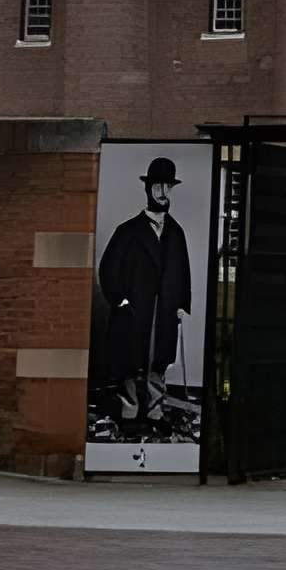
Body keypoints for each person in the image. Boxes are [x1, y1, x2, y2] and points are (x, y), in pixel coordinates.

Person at [89, 155, 194, 441]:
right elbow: (108, 269)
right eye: (158, 186)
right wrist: (120, 300)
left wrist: (182, 304)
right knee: (129, 364)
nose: (163, 192)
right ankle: (129, 414)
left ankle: (155, 415)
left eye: (167, 186)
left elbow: (183, 271)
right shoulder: (128, 231)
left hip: (164, 312)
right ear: (148, 189)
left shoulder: (176, 233)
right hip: (134, 311)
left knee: (158, 364)